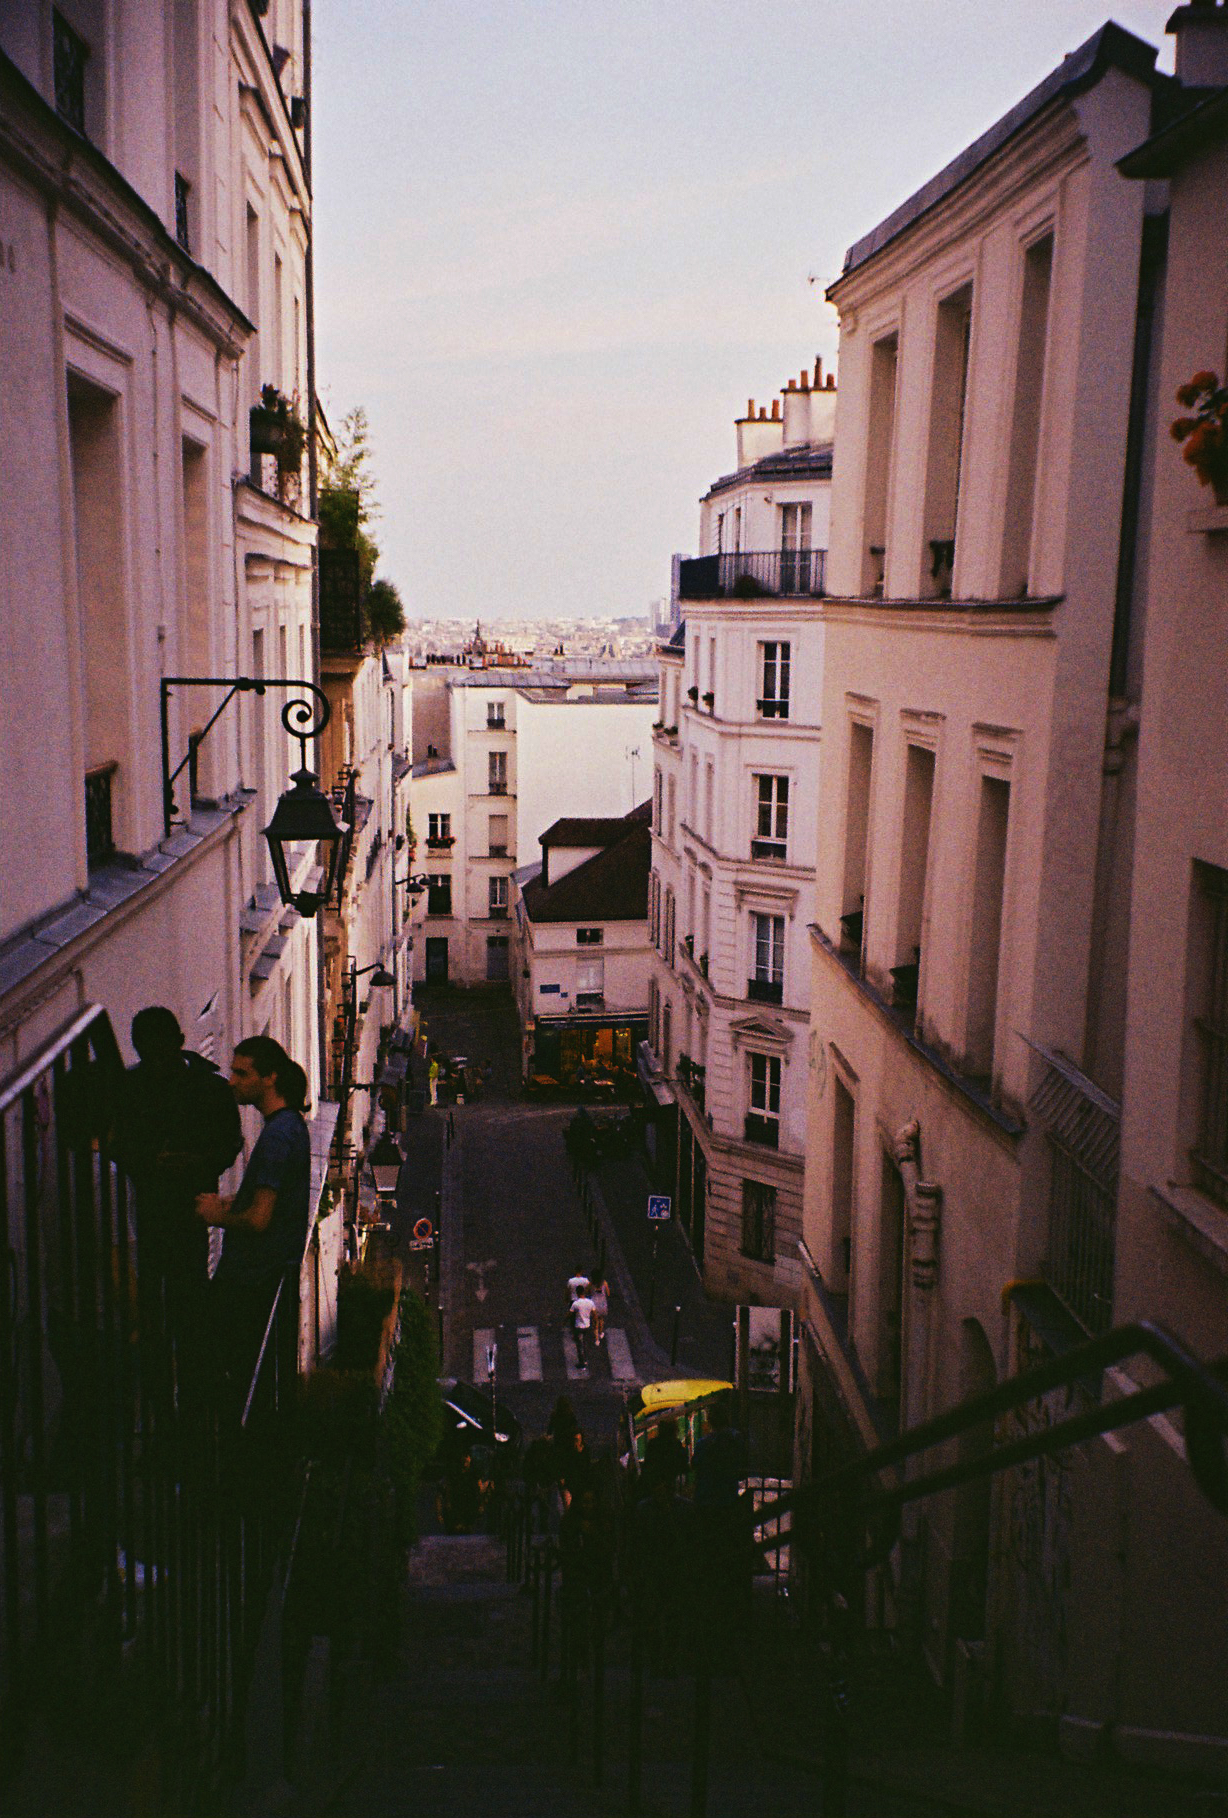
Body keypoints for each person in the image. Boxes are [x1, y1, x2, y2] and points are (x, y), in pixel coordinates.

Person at [112, 1007, 243, 1371]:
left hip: (187, 1205)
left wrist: (194, 1163)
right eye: (146, 1052)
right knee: (168, 1293)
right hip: (160, 1206)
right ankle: (178, 1383)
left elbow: (230, 1143)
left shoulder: (202, 1088)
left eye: (159, 1051)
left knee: (183, 1293)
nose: (154, 1061)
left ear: (179, 1044)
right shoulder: (199, 1086)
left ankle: (183, 1379)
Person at [195, 1036, 311, 1404]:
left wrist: (216, 1215)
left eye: (242, 1073)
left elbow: (260, 1219)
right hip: (266, 1275)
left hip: (253, 1279)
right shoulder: (291, 1125)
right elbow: (271, 1200)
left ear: (270, 1078)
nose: (231, 1081)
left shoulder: (276, 1136)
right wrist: (233, 1201)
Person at [640, 1415, 689, 1497]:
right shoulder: (675, 1444)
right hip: (669, 1484)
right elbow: (683, 1465)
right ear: (675, 1429)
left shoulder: (653, 1443)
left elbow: (648, 1465)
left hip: (653, 1485)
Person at [571, 1286, 595, 1369]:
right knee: (584, 1343)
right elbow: (594, 1314)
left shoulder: (576, 1303)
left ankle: (582, 1363)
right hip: (587, 1325)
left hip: (579, 1327)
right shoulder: (590, 1302)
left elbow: (571, 1314)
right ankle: (585, 1358)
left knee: (579, 1345)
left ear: (577, 1293)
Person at [590, 1276, 609, 1348]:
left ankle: (597, 1340)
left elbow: (586, 1292)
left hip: (594, 1304)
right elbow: (608, 1293)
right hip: (602, 1304)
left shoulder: (591, 1284)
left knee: (595, 1322)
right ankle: (601, 1333)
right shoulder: (604, 1283)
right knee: (601, 1319)